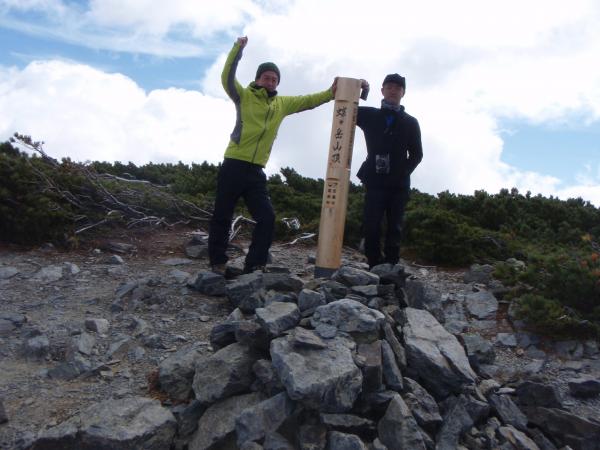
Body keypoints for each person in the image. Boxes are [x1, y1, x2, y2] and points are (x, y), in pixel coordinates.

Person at [208, 36, 338, 274]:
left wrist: (331, 93)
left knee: (267, 217)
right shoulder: (243, 96)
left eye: (274, 79)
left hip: (256, 170)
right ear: (258, 79)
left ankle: (255, 264)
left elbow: (308, 101)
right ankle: (218, 262)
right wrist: (237, 49)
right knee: (222, 215)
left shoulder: (281, 104)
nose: (270, 81)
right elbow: (227, 76)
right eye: (266, 77)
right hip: (234, 164)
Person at [356, 73, 423, 268]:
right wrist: (363, 92)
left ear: (403, 93)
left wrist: (402, 172)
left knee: (395, 226)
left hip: (399, 184)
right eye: (389, 87)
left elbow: (417, 154)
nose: (393, 91)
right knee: (371, 224)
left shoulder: (411, 122)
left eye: (398, 88)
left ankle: (391, 266)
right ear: (382, 91)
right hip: (374, 180)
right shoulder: (369, 115)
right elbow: (345, 109)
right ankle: (373, 264)